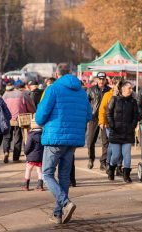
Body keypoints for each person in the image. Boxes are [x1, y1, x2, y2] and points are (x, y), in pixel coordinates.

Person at [35, 63, 92, 224]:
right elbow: (89, 115)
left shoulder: (53, 89)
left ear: (57, 74)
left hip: (55, 137)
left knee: (46, 174)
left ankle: (65, 203)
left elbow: (40, 117)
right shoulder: (81, 91)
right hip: (73, 139)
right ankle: (58, 213)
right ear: (70, 73)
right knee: (64, 176)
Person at [106, 81, 138, 182]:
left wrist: (132, 126)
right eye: (129, 88)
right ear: (123, 89)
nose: (131, 90)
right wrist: (112, 124)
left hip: (128, 133)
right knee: (115, 155)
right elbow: (108, 113)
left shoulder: (133, 102)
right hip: (116, 132)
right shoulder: (114, 99)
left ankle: (126, 175)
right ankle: (111, 169)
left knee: (126, 154)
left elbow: (135, 116)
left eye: (131, 88)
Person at [2, 82, 36, 163]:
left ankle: (6, 152)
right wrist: (32, 112)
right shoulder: (23, 94)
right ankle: (15, 158)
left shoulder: (5, 95)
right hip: (19, 119)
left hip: (7, 119)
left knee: (7, 137)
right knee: (18, 138)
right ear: (22, 88)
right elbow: (31, 107)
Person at [98, 76, 123, 176]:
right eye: (117, 84)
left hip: (122, 125)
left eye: (120, 84)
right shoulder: (108, 95)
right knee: (112, 145)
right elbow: (102, 109)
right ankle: (109, 164)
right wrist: (101, 122)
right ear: (113, 84)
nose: (119, 87)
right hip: (109, 125)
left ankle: (119, 167)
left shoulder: (125, 94)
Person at [86, 72, 111, 170]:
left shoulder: (109, 90)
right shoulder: (91, 90)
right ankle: (91, 158)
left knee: (106, 141)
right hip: (93, 118)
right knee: (90, 141)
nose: (101, 81)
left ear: (105, 80)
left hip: (105, 119)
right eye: (99, 79)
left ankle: (103, 162)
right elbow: (86, 103)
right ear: (97, 79)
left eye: (103, 79)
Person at [22, 119, 44, 191]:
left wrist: (25, 152)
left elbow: (28, 147)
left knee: (28, 170)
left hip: (31, 157)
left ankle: (26, 185)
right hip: (40, 156)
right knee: (40, 171)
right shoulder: (43, 134)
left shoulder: (31, 135)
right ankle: (40, 185)